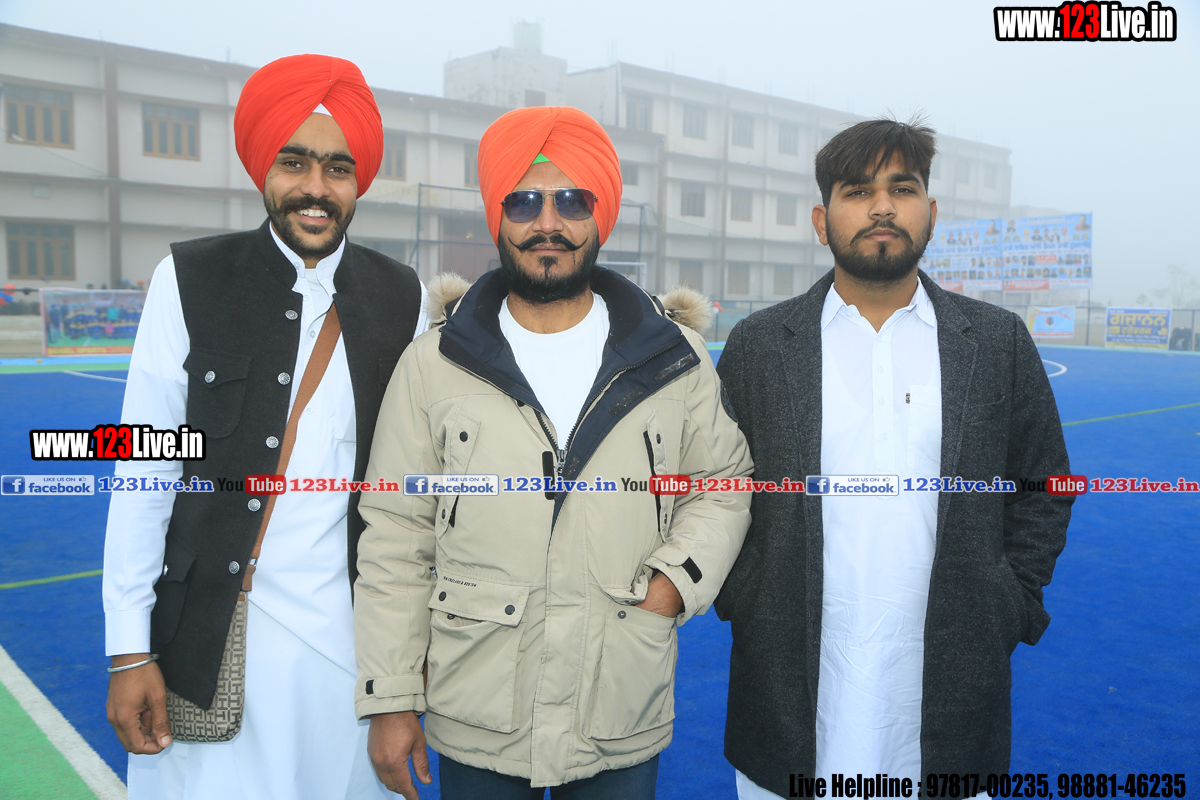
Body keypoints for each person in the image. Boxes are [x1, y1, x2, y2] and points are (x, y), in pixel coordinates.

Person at [353, 105, 753, 800]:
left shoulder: (672, 358)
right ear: (497, 216)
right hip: (477, 707)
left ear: (600, 215)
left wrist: (672, 585)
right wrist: (390, 698)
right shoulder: (434, 363)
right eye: (524, 202)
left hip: (618, 699)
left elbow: (722, 483)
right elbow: (395, 531)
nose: (548, 222)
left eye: (571, 201)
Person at [714, 118, 1073, 798]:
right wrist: (747, 597)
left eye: (901, 189)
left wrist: (1010, 599)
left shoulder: (995, 341)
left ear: (930, 211)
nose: (882, 207)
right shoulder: (760, 345)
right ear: (821, 220)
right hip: (788, 682)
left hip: (955, 686)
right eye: (857, 191)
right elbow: (716, 487)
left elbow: (1045, 484)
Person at [102, 54, 429, 799]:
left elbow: (407, 503)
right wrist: (128, 650)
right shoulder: (188, 280)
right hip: (207, 641)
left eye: (338, 168)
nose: (316, 187)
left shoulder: (400, 296)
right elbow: (144, 468)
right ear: (263, 168)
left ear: (359, 181)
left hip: (349, 662)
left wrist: (402, 680)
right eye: (295, 162)